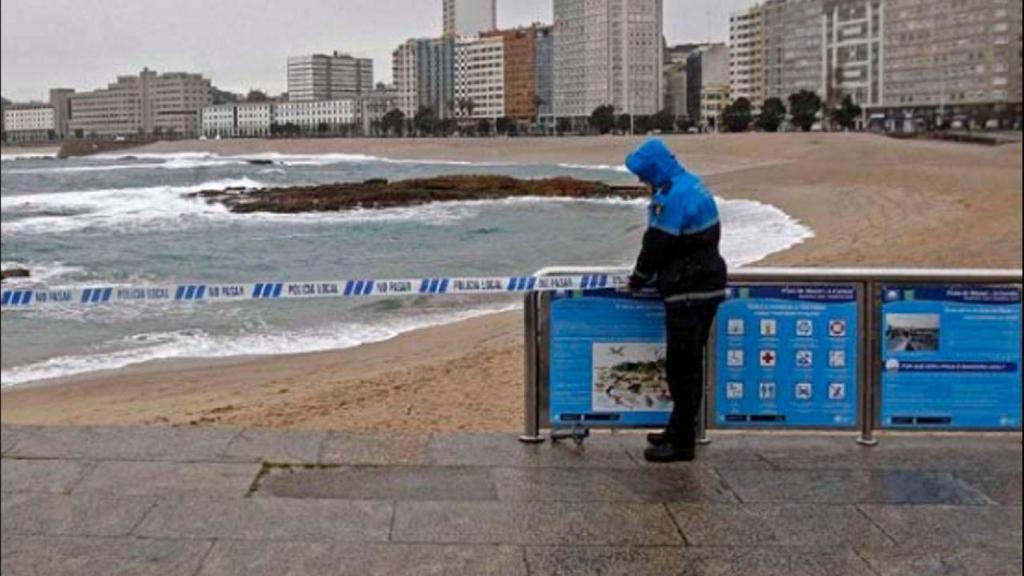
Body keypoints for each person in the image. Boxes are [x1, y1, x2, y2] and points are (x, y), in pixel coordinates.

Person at [625, 139, 728, 463]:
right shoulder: (691, 183)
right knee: (689, 364)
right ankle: (677, 429)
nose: (641, 182)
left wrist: (639, 277)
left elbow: (657, 243)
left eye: (642, 175)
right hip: (707, 282)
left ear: (653, 171)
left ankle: (683, 441)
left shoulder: (670, 197)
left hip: (688, 290)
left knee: (682, 368)